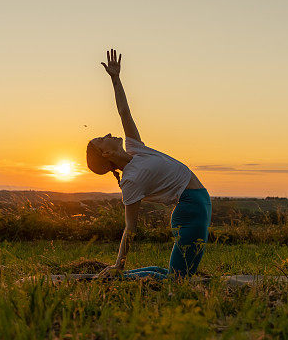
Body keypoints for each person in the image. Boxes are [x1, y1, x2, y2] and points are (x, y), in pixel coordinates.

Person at [86, 48, 211, 280]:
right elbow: (130, 229)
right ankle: (117, 277)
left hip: (199, 205)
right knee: (179, 281)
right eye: (102, 138)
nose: (108, 133)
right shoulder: (131, 180)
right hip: (191, 208)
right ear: (104, 153)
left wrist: (116, 79)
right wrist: (119, 264)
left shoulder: (136, 149)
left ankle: (118, 277)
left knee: (178, 276)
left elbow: (124, 111)